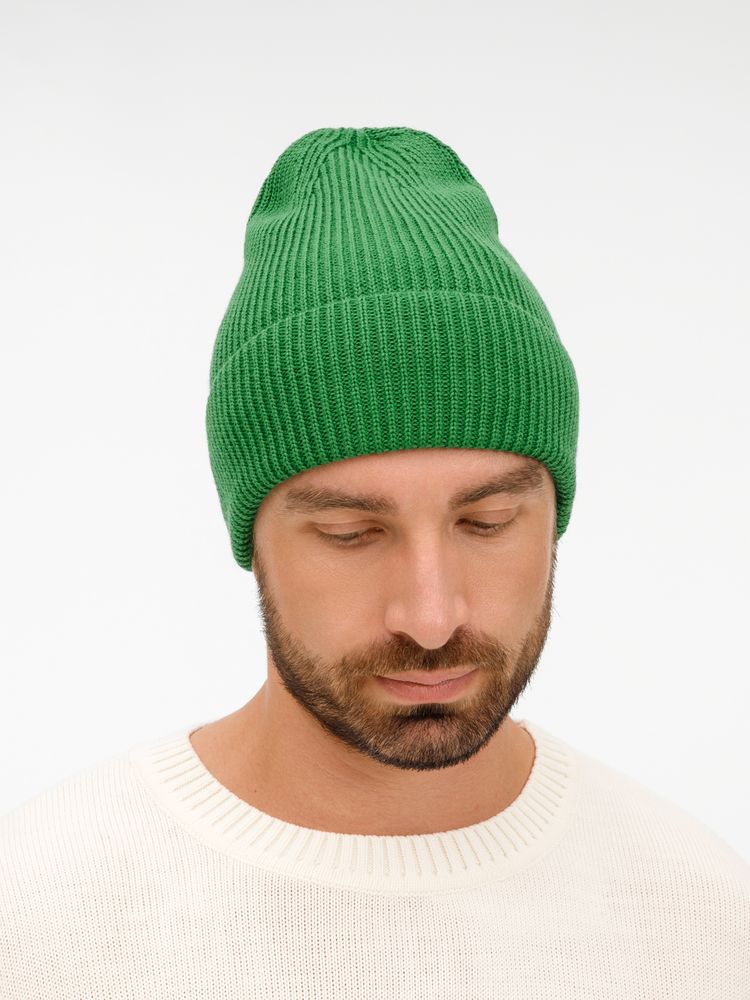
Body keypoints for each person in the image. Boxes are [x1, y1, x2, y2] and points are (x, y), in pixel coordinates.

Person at [1, 125, 748, 998]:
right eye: (352, 534)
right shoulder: (41, 921)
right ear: (250, 536)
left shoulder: (702, 922)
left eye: (487, 522)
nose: (430, 618)